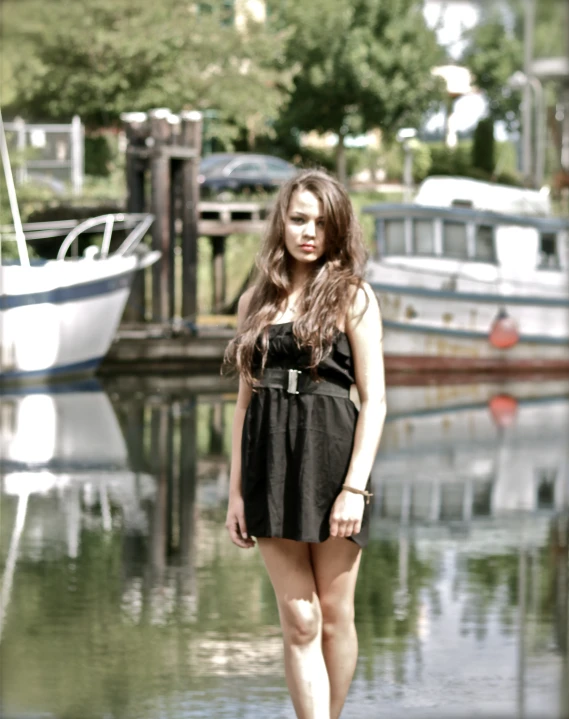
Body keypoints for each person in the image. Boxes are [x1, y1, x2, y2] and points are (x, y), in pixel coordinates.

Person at [223, 168, 386, 719]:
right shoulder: (255, 303)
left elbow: (376, 402)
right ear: (282, 223)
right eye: (298, 219)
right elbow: (244, 408)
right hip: (269, 466)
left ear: (337, 228)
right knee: (300, 619)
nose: (308, 231)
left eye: (320, 221)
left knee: (336, 615)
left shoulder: (354, 298)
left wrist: (354, 489)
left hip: (334, 462)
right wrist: (235, 496)